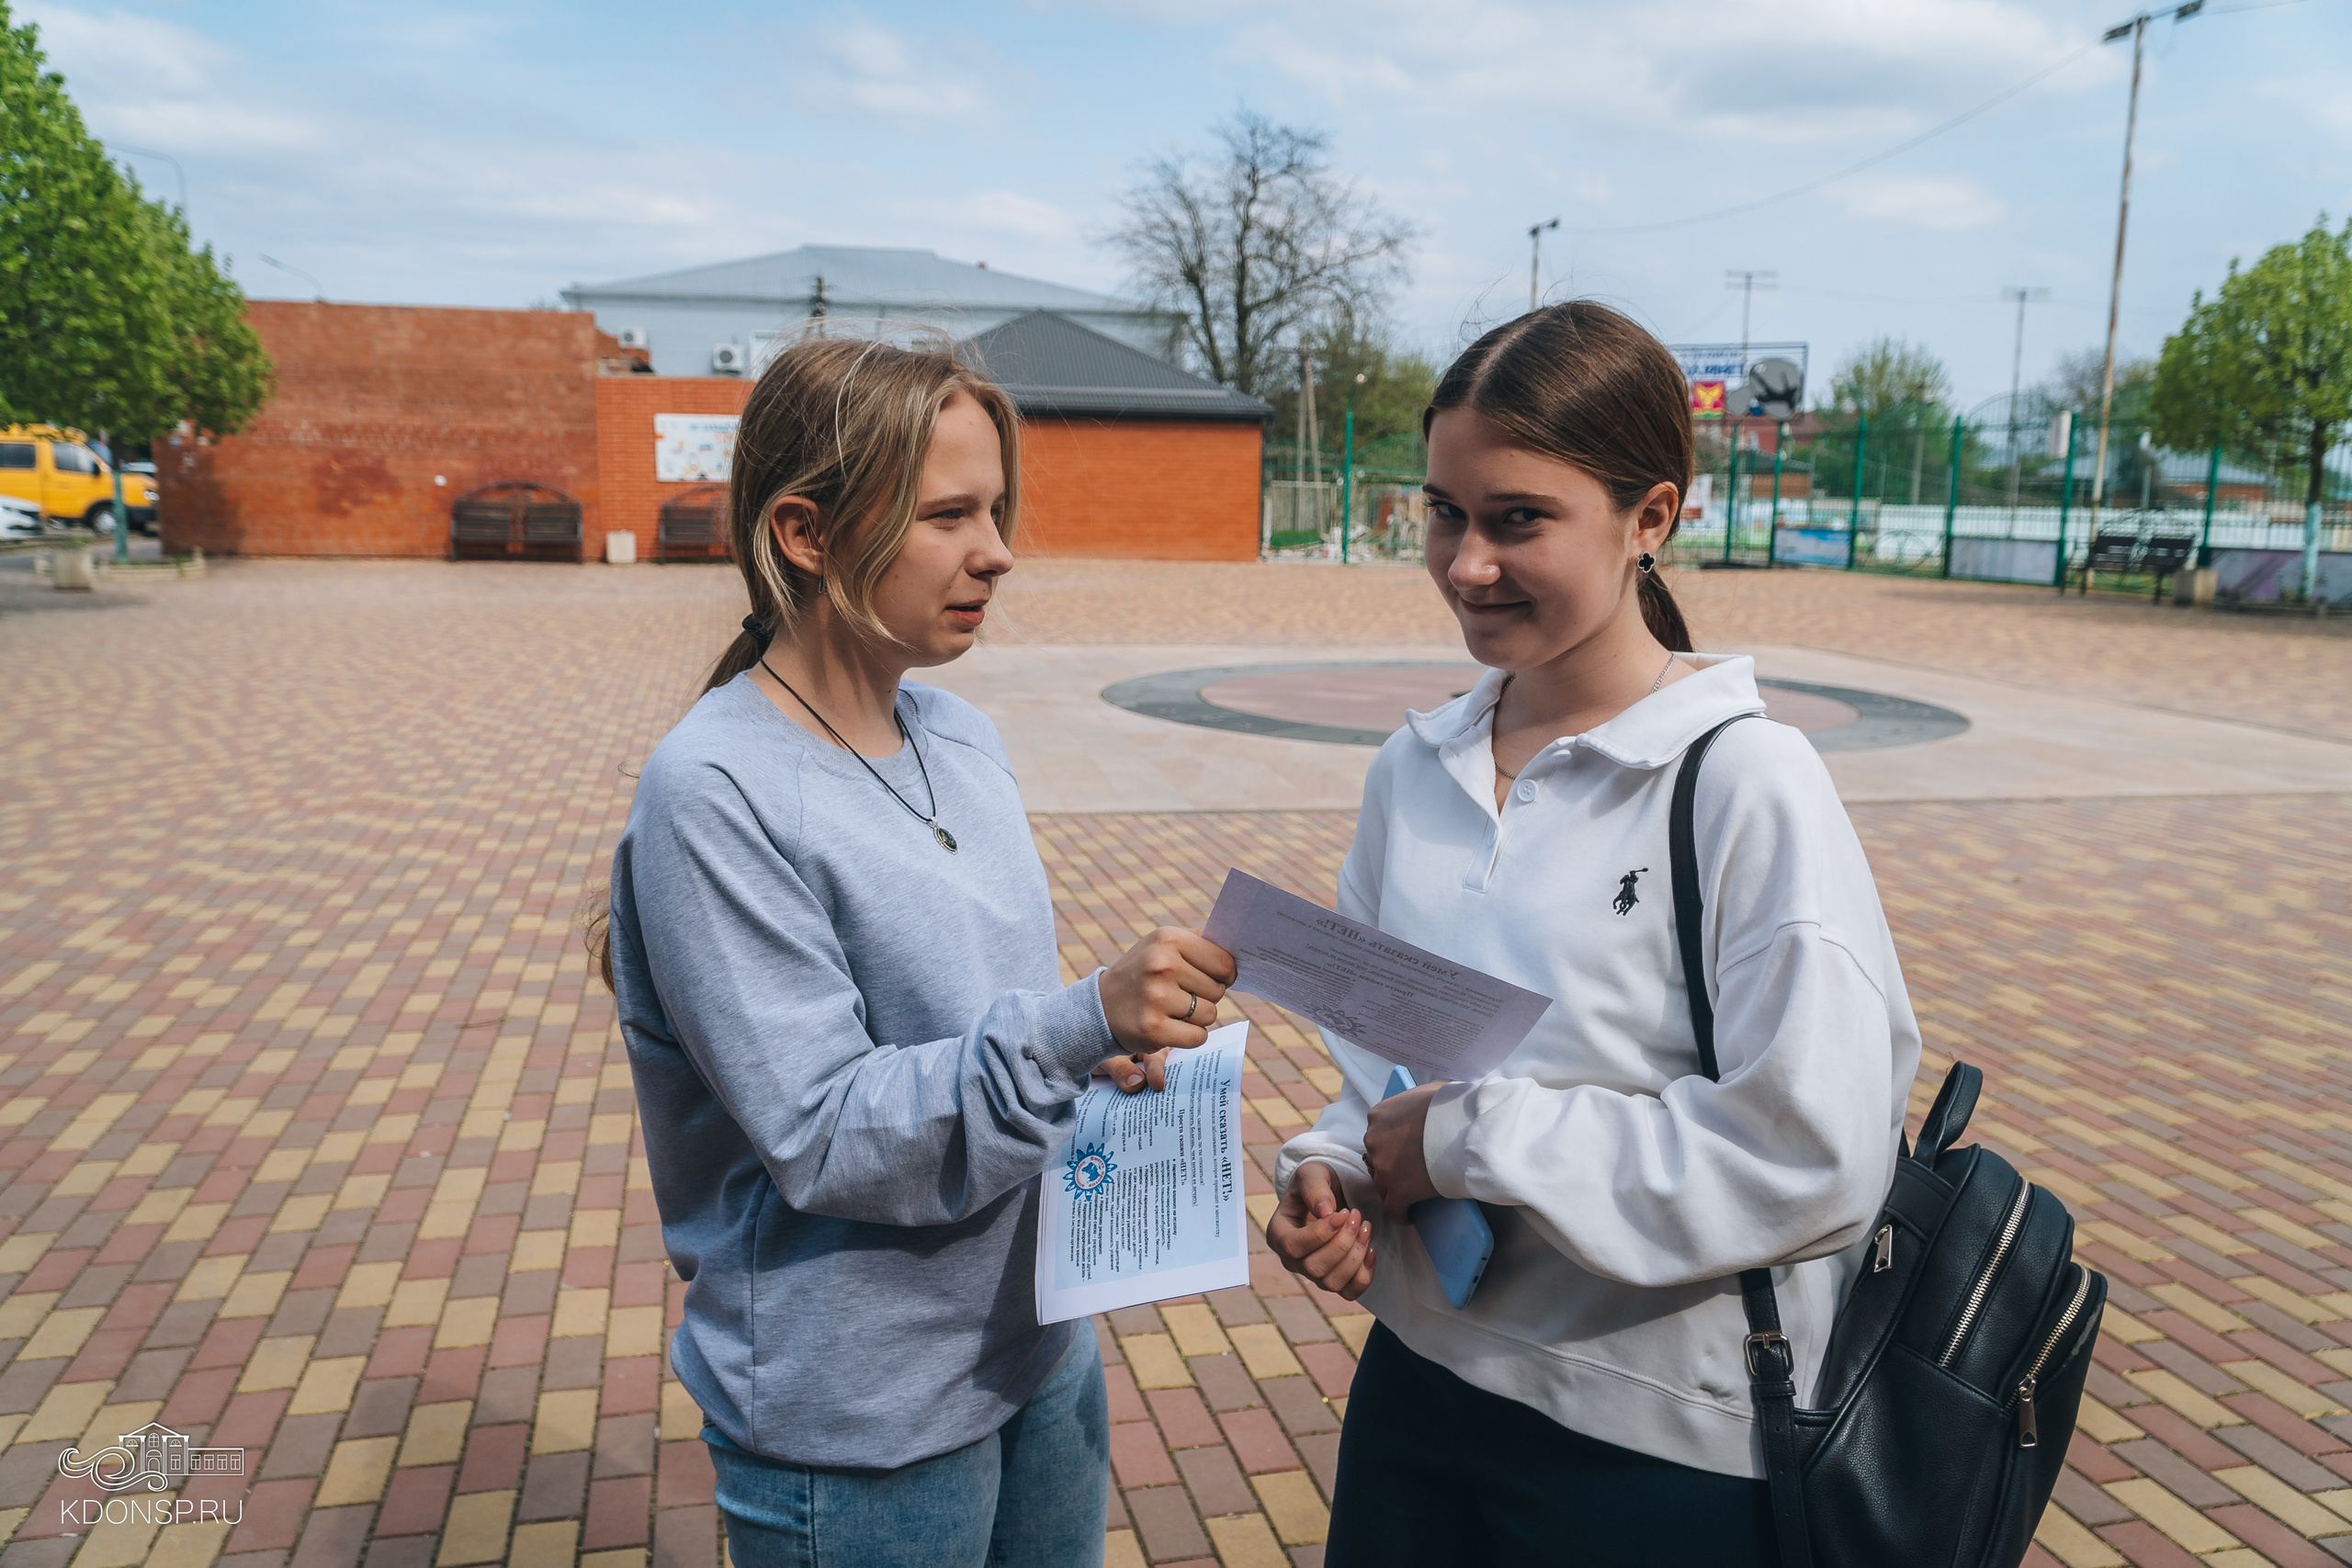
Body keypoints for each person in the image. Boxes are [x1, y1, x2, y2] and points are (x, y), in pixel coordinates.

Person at [1265, 302, 1922, 1566]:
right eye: (1445, 511)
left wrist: (1464, 1141)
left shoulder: (1744, 781)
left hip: (1658, 1438)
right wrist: (1338, 1169)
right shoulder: (1416, 768)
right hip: (1421, 1380)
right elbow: (1389, 1075)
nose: (1467, 564)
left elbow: (1817, 1153)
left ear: (1652, 519)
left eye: (1519, 518)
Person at [596, 335, 1234, 1568]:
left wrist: (1096, 1053)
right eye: (950, 514)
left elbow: (983, 1027)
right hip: (865, 1422)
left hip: (1038, 1348)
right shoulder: (716, 791)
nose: (997, 550)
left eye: (995, 508)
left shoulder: (960, 732)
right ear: (805, 533)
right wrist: (1076, 1022)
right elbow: (827, 1133)